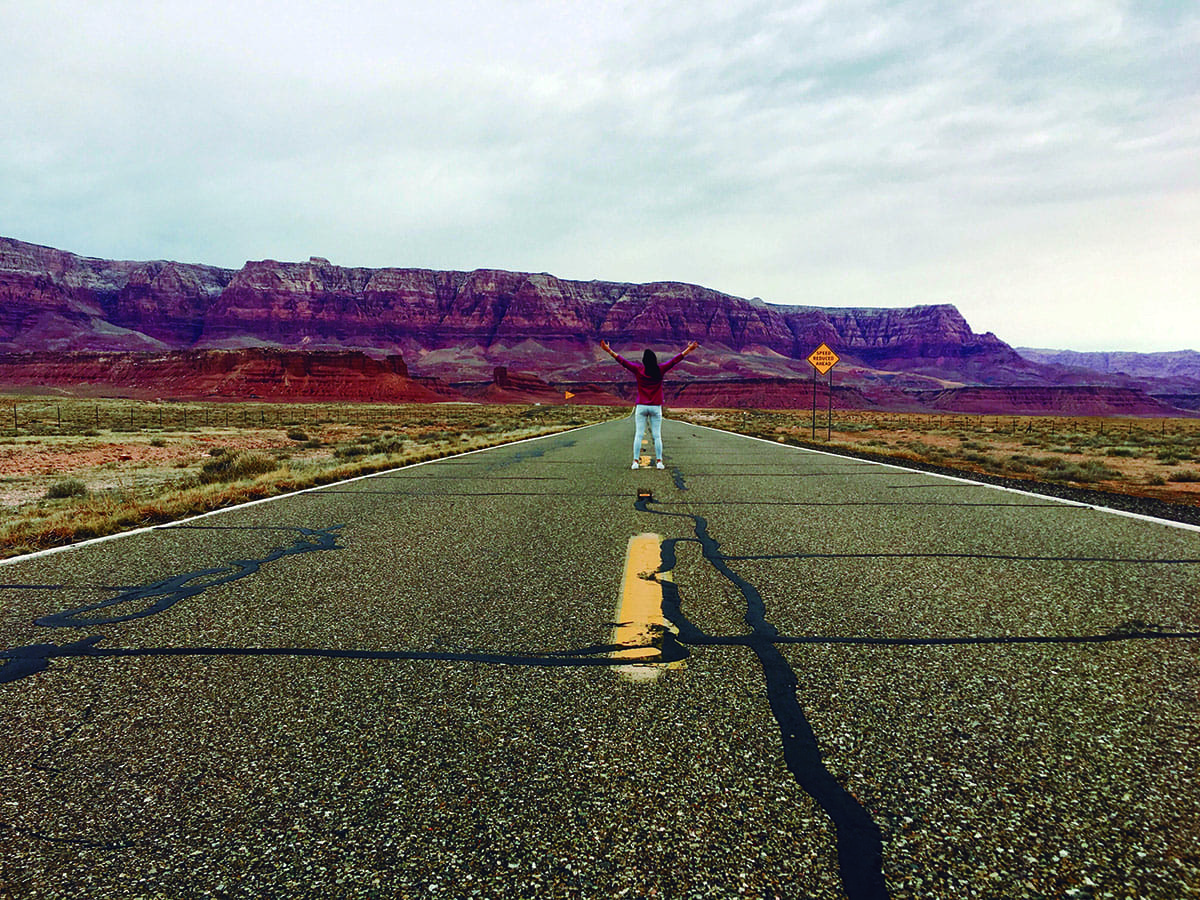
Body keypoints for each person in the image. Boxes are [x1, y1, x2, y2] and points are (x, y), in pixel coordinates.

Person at [600, 339, 699, 469]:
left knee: (639, 434)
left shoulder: (638, 370)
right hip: (656, 406)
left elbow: (623, 361)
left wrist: (609, 351)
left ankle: (635, 462)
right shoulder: (661, 369)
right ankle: (659, 462)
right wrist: (689, 350)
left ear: (644, 361)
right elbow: (675, 360)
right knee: (657, 436)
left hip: (641, 406)